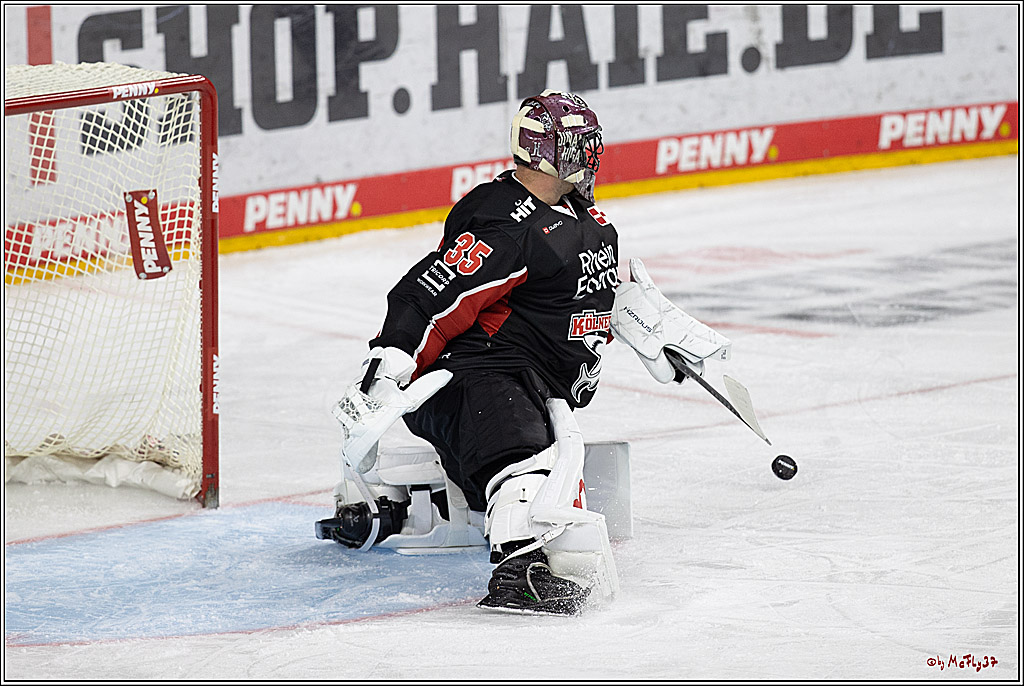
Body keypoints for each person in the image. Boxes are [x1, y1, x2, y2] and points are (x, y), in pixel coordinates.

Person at [318, 90, 732, 616]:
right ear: (548, 151)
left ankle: (450, 504)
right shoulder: (504, 223)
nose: (592, 153)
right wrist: (389, 365)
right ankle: (520, 574)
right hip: (473, 380)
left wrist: (652, 328)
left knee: (549, 455)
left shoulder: (583, 214)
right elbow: (432, 294)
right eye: (580, 144)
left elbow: (582, 288)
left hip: (530, 379)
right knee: (524, 456)